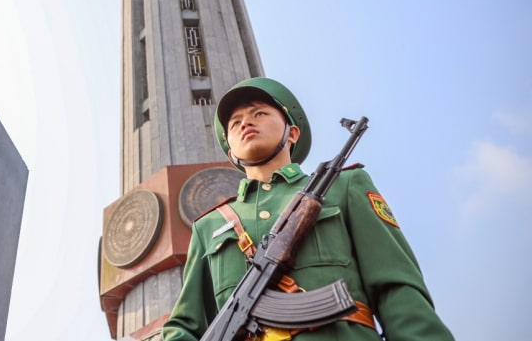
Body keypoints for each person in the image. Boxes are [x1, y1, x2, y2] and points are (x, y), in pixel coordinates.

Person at [161, 77, 454, 341]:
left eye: (259, 113)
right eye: (235, 123)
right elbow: (184, 327)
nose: (245, 123)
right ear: (231, 154)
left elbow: (397, 290)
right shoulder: (209, 226)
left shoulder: (344, 187)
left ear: (292, 133)